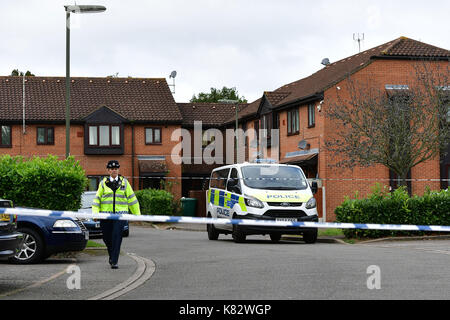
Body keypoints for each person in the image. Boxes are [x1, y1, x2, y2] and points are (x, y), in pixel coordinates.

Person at [92, 160, 140, 269]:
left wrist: (137, 215)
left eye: (116, 168)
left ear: (118, 170)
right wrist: (95, 214)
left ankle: (114, 261)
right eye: (112, 169)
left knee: (117, 237)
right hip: (105, 216)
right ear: (108, 171)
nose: (114, 170)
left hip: (120, 215)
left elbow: (132, 199)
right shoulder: (103, 183)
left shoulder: (125, 183)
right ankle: (111, 255)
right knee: (106, 237)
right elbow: (97, 200)